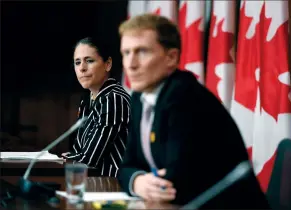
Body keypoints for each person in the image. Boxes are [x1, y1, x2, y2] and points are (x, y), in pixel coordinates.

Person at [117, 14, 270, 208]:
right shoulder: (139, 98)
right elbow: (126, 166)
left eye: (142, 52)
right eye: (126, 53)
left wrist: (148, 180)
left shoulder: (184, 96)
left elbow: (175, 184)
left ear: (171, 57)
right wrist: (137, 181)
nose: (131, 64)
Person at [62, 37, 131, 177]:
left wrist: (70, 158)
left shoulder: (114, 99)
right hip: (93, 184)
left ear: (108, 64)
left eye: (89, 61)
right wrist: (72, 156)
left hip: (113, 187)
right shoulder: (88, 99)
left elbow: (90, 159)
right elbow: (80, 150)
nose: (82, 68)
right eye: (77, 62)